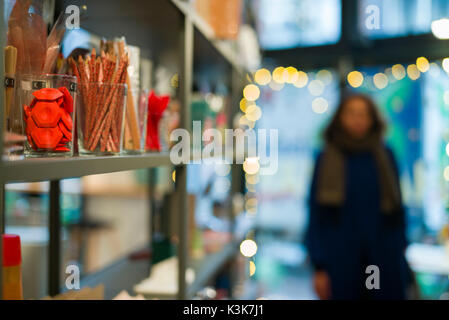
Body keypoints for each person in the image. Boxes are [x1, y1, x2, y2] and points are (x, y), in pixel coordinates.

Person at [305, 94, 410, 300]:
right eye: (351, 113)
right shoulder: (326, 157)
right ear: (340, 118)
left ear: (372, 119)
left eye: (363, 114)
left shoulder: (384, 155)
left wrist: (400, 251)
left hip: (382, 258)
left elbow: (397, 209)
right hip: (340, 260)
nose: (357, 119)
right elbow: (315, 213)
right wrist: (319, 265)